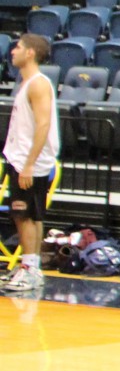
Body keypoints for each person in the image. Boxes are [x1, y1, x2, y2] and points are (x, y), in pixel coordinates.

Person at [1, 34, 57, 294]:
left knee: (24, 215)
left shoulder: (38, 84)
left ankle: (30, 269)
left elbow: (43, 124)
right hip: (23, 158)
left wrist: (29, 164)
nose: (13, 51)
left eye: (19, 47)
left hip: (29, 161)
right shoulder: (29, 83)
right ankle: (30, 267)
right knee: (29, 214)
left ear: (31, 53)